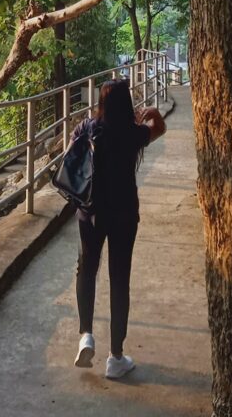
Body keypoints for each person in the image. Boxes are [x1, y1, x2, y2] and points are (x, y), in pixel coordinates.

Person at [70, 78, 166, 379]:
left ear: (101, 103)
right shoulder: (133, 134)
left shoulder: (88, 128)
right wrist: (151, 112)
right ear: (127, 104)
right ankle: (116, 356)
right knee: (119, 278)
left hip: (90, 213)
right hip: (124, 214)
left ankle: (86, 334)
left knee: (86, 269)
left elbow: (72, 155)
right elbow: (159, 128)